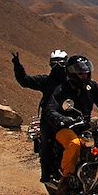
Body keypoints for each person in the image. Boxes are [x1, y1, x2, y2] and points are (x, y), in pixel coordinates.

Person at [43, 55, 98, 191]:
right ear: (71, 73)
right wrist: (61, 119)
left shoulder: (91, 86)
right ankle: (66, 178)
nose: (84, 75)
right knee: (74, 144)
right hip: (65, 128)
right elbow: (50, 109)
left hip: (85, 126)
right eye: (80, 73)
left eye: (86, 72)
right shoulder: (61, 89)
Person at [12, 49, 68, 182]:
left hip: (70, 118)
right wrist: (18, 66)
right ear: (50, 65)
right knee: (47, 143)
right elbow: (25, 81)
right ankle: (47, 174)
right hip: (50, 119)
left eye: (61, 64)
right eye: (55, 64)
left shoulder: (72, 82)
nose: (58, 67)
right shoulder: (46, 80)